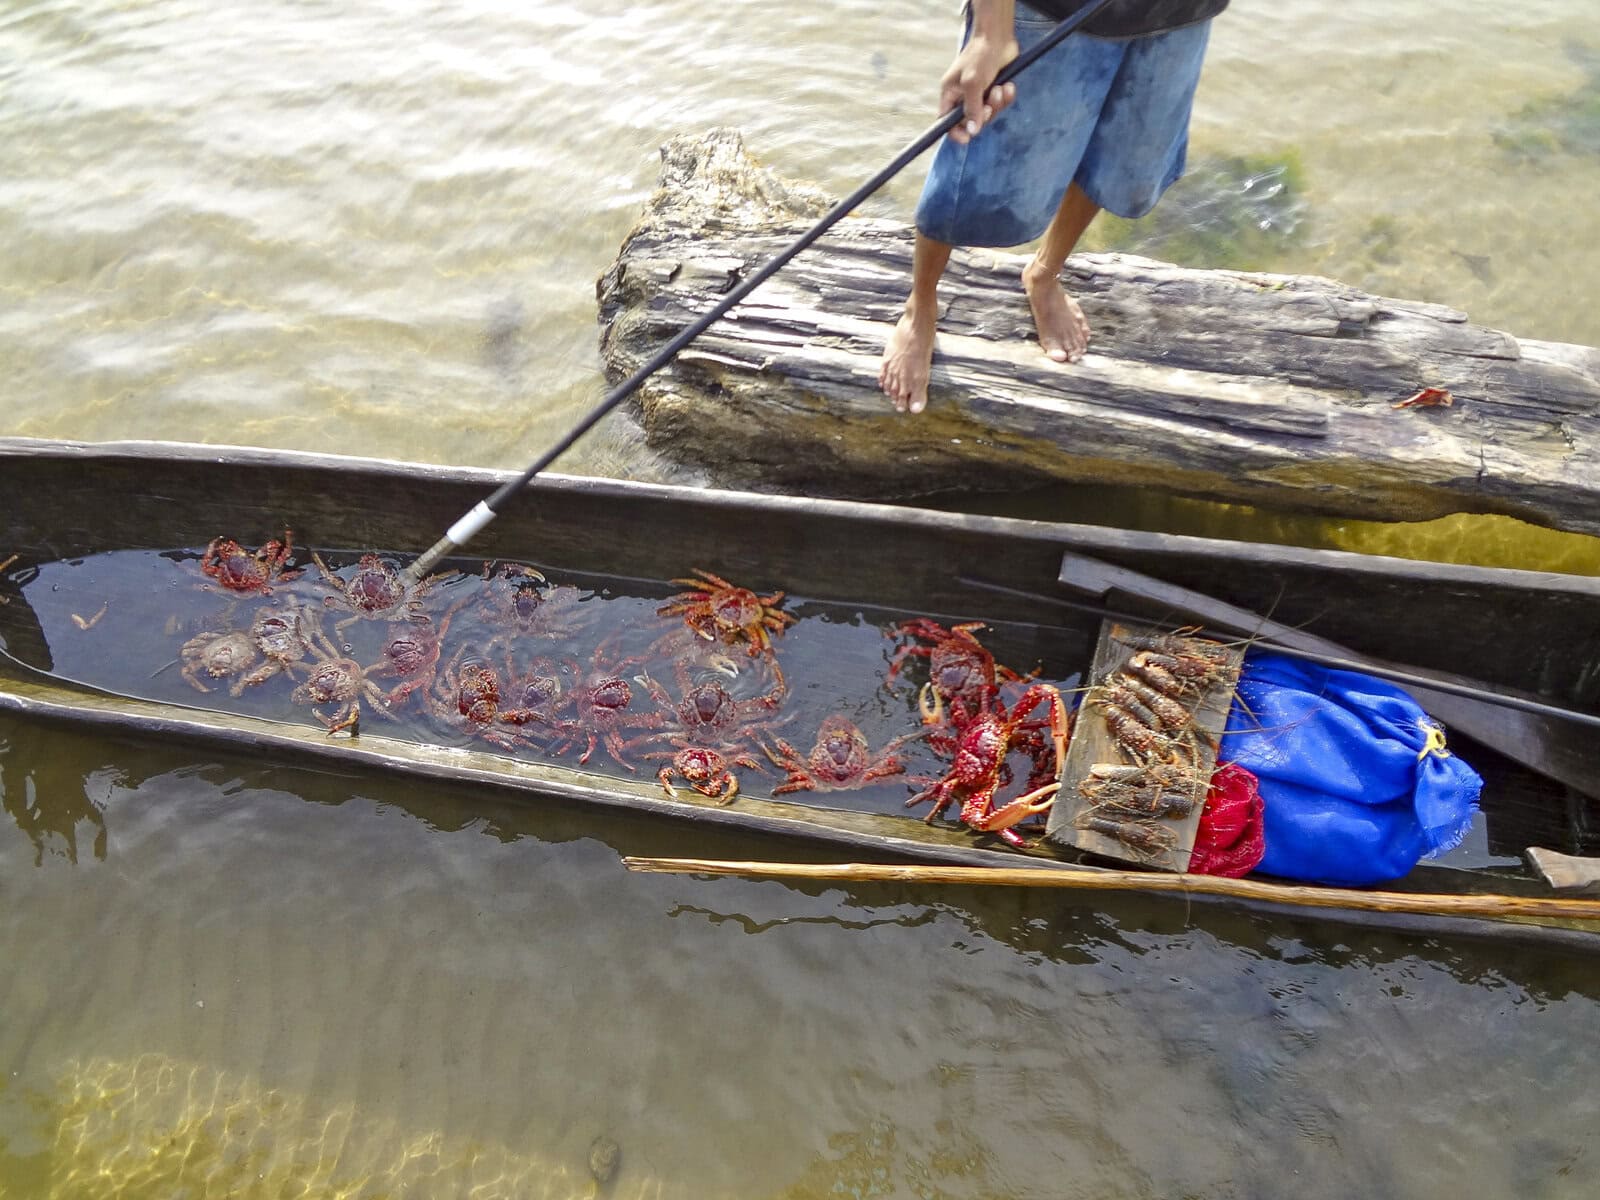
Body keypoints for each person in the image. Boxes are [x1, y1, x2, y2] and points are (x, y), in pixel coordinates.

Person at [879, 0, 1227, 414]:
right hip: (1052, 11)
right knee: (976, 177)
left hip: (1181, 15)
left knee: (1120, 165)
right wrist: (991, 31)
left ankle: (1045, 273)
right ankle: (921, 306)